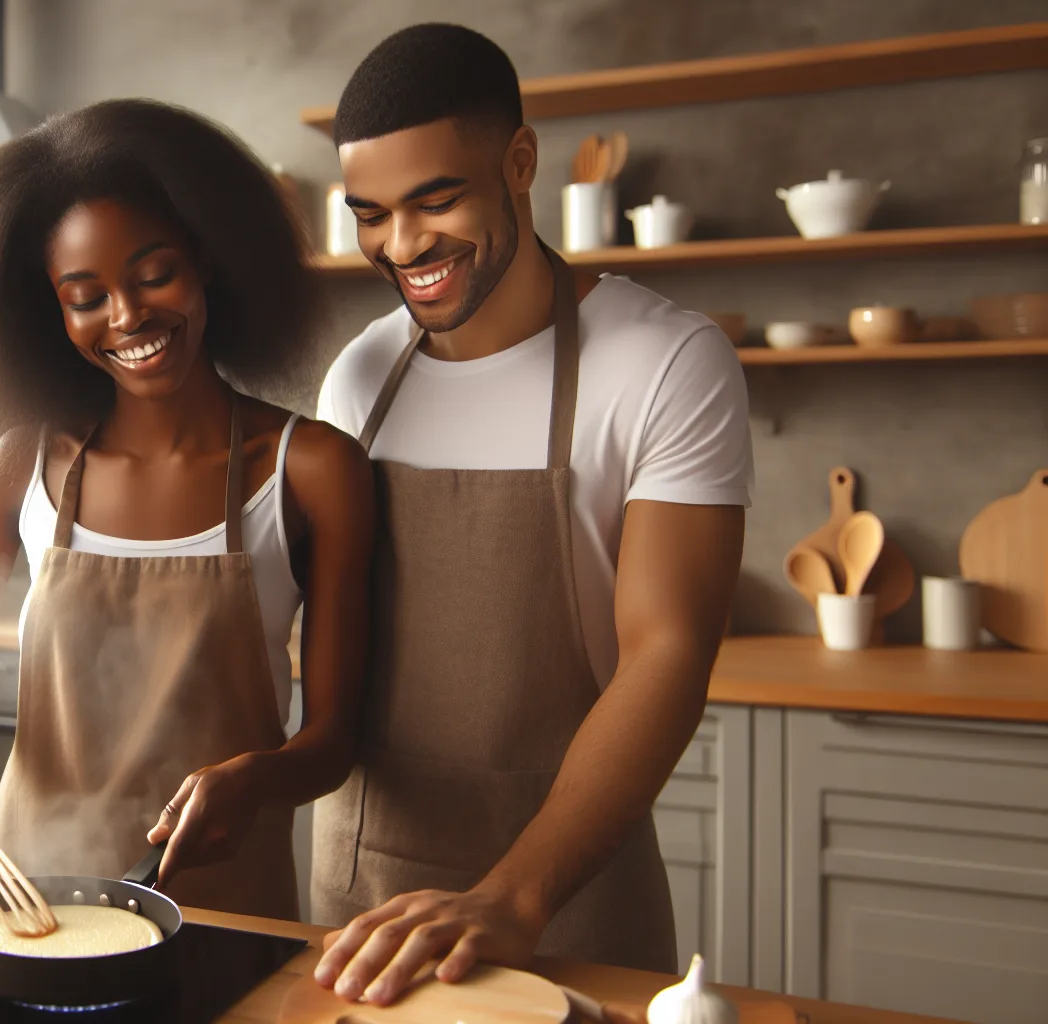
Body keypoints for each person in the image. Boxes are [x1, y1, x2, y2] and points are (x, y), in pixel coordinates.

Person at [308, 24, 752, 1004]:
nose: (402, 244)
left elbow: (668, 650)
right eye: (369, 214)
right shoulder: (359, 379)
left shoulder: (663, 363)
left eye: (436, 200)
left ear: (519, 161)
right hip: (361, 907)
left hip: (567, 901)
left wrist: (514, 895)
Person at [0, 99, 375, 920]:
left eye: (154, 275)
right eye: (86, 296)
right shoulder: (25, 465)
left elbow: (334, 741)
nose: (128, 317)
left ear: (207, 263)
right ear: (51, 310)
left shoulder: (312, 468)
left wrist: (257, 776)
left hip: (224, 908)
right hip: (31, 899)